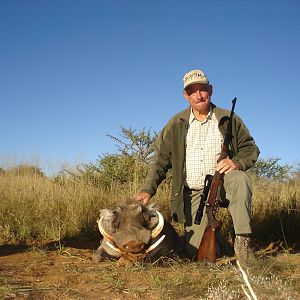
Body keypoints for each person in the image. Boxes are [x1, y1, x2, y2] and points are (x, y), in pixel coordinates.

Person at [135, 69, 260, 262]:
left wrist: (236, 162)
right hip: (193, 192)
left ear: (211, 90)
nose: (199, 95)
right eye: (193, 91)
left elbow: (250, 149)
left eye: (203, 89)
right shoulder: (175, 123)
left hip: (223, 185)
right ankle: (217, 240)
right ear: (185, 95)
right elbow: (160, 161)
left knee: (240, 179)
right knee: (196, 252)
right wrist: (147, 190)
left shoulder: (228, 118)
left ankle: (242, 242)